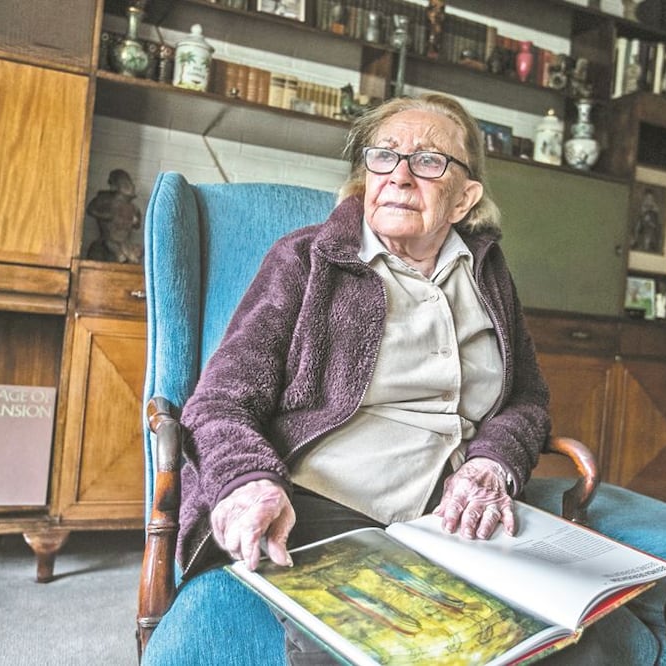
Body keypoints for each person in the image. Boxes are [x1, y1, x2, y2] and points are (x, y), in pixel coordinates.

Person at [175, 93, 551, 662]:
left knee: (541, 633)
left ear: (464, 197)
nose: (400, 175)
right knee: (368, 646)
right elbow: (219, 401)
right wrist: (247, 480)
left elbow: (527, 398)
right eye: (384, 156)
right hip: (323, 498)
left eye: (429, 161)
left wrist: (491, 462)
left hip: (452, 511)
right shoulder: (306, 260)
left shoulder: (489, 275)